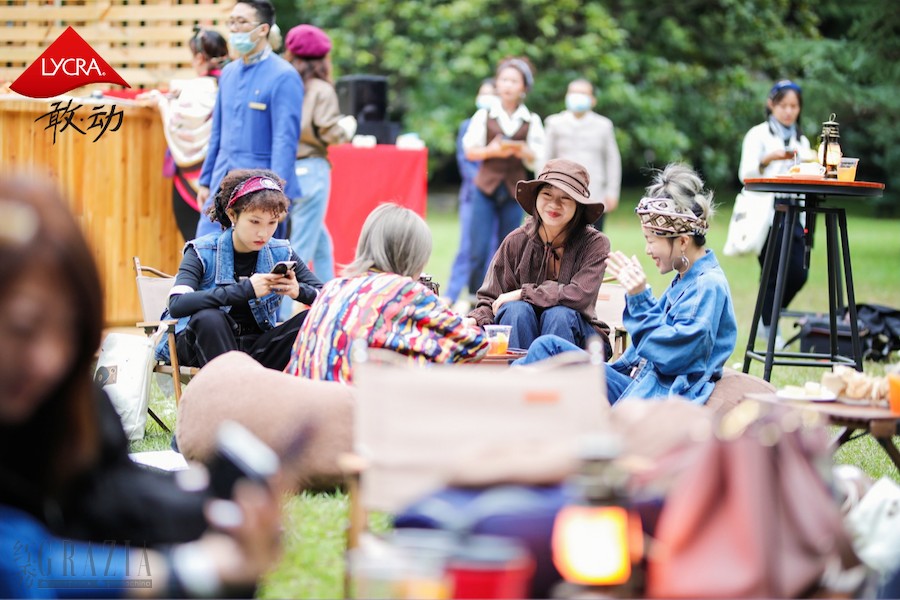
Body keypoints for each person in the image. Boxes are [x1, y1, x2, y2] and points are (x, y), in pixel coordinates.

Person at [0, 173, 281, 598]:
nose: (49, 358)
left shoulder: (68, 392)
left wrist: (208, 505)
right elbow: (21, 563)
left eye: (69, 330)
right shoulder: (202, 252)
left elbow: (110, 488)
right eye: (22, 328)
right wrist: (183, 572)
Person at [516, 164, 737, 406]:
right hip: (638, 381)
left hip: (655, 395)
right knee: (548, 348)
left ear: (683, 241)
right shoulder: (687, 279)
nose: (647, 250)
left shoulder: (707, 286)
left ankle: (502, 398)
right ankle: (504, 394)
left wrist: (640, 297)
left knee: (548, 349)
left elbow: (674, 357)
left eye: (651, 240)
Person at [285, 203, 488, 384]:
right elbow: (474, 345)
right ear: (415, 256)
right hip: (359, 408)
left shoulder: (332, 287)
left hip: (308, 403)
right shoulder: (405, 291)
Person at [157, 169, 323, 370]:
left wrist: (298, 291)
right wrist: (246, 290)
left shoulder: (280, 251)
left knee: (313, 318)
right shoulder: (202, 250)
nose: (263, 233)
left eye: (272, 223)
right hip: (203, 343)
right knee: (209, 318)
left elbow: (331, 298)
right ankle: (235, 386)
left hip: (255, 348)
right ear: (232, 215)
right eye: (254, 222)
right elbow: (177, 303)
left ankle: (251, 383)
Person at [466, 159, 610, 351]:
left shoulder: (595, 244)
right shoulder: (516, 241)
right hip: (520, 332)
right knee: (515, 310)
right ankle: (521, 370)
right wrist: (474, 319)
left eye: (565, 197)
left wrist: (523, 293)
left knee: (559, 314)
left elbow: (578, 296)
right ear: (536, 197)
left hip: (577, 340)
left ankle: (556, 371)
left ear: (579, 205)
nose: (554, 204)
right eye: (547, 194)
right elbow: (491, 299)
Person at [195, 0, 303, 241]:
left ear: (263, 29)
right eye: (231, 22)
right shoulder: (229, 73)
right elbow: (217, 133)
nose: (234, 28)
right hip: (220, 185)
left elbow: (284, 141)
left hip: (259, 190)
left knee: (256, 259)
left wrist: (277, 196)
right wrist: (205, 181)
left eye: (241, 22)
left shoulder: (284, 76)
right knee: (204, 250)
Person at [462, 56, 546, 299]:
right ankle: (473, 297)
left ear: (524, 87)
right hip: (485, 188)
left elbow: (539, 158)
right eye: (504, 80)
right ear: (497, 83)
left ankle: (502, 297)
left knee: (511, 247)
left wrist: (524, 151)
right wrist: (492, 150)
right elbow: (470, 151)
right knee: (478, 248)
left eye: (514, 81)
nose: (508, 85)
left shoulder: (531, 120)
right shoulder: (484, 115)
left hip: (514, 190)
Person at [738, 79, 813, 347]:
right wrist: (768, 159)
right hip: (768, 213)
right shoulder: (757, 135)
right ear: (771, 104)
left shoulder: (801, 140)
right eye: (783, 105)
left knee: (799, 272)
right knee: (773, 272)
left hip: (795, 211)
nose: (789, 111)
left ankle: (767, 317)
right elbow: (745, 174)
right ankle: (770, 328)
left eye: (794, 106)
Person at [282, 24, 356, 294]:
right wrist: (347, 128)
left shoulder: (285, 84)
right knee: (300, 249)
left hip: (288, 168)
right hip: (312, 169)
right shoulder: (321, 89)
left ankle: (329, 298)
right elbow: (328, 130)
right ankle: (280, 313)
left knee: (322, 244)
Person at [145, 28, 228, 243]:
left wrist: (162, 103)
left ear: (199, 58)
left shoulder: (196, 89)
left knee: (196, 241)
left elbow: (178, 123)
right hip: (225, 169)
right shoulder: (230, 83)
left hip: (196, 176)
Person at [445, 78, 498, 307]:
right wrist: (481, 184)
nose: (485, 98)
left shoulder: (502, 127)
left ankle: (485, 296)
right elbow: (464, 160)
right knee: (468, 246)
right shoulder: (468, 125)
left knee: (494, 247)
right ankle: (451, 294)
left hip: (498, 196)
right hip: (473, 194)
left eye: (490, 93)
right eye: (482, 93)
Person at [544, 78, 622, 231]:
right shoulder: (554, 123)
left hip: (594, 194)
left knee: (592, 238)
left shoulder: (604, 125)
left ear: (593, 100)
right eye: (573, 92)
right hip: (561, 192)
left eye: (583, 93)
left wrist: (612, 192)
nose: (577, 96)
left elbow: (612, 160)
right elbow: (545, 158)